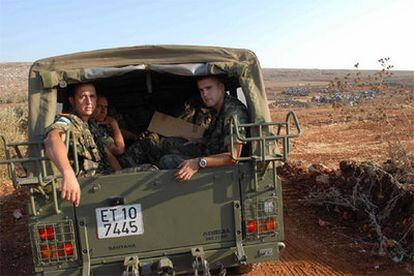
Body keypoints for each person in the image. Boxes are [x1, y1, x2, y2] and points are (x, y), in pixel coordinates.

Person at [159, 75, 249, 181]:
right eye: (201, 90)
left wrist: (199, 163)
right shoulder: (217, 108)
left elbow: (233, 157)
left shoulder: (234, 113)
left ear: (221, 87)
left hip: (222, 169)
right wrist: (200, 141)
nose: (204, 94)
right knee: (168, 143)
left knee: (167, 160)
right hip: (210, 153)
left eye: (209, 88)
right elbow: (217, 138)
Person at [44, 83, 120, 207]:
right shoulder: (68, 121)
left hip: (107, 177)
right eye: (83, 97)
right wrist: (68, 174)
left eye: (92, 96)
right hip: (91, 183)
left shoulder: (90, 124)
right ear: (72, 101)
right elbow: (52, 138)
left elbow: (108, 152)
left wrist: (121, 174)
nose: (89, 101)